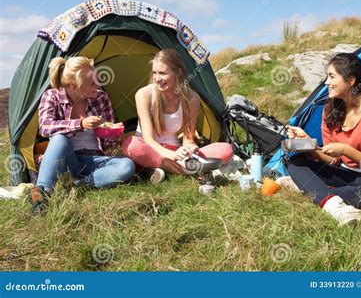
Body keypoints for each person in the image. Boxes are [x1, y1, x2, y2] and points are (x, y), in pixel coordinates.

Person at [287, 53, 361, 225]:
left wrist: (346, 150)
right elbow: (333, 161)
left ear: (351, 80)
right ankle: (333, 205)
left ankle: (313, 190)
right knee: (296, 162)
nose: (326, 82)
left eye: (332, 76)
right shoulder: (330, 109)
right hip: (346, 173)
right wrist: (308, 143)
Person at [29, 56, 136, 213]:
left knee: (127, 166)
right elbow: (45, 127)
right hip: (65, 159)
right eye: (92, 83)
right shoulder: (51, 96)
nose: (98, 85)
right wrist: (80, 124)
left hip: (94, 160)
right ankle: (41, 193)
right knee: (59, 138)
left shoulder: (101, 98)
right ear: (74, 86)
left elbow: (109, 141)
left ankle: (76, 184)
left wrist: (112, 134)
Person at [122, 49, 233, 182]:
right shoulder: (143, 94)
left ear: (178, 72)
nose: (157, 78)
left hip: (175, 150)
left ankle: (154, 170)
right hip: (148, 148)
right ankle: (183, 169)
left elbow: (188, 138)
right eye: (155, 73)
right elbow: (148, 139)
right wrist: (172, 155)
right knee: (131, 145)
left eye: (162, 73)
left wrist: (190, 147)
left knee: (226, 149)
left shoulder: (191, 98)